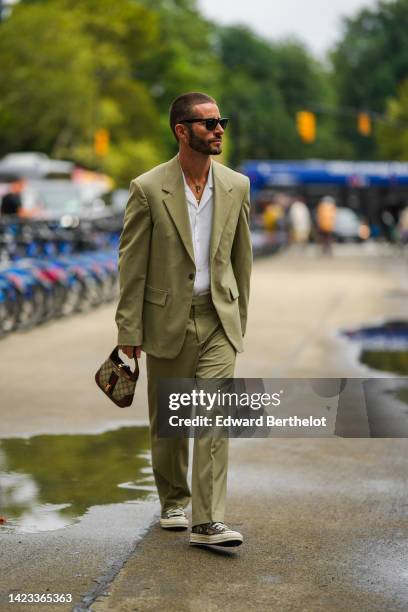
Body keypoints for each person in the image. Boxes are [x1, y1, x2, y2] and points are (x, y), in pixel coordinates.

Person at [115, 92, 252, 547]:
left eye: (222, 122)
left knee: (213, 416)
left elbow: (242, 260)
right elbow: (132, 265)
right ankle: (173, 501)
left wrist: (238, 320)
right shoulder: (148, 188)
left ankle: (208, 520)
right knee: (171, 421)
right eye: (209, 123)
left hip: (218, 317)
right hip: (167, 318)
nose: (219, 130)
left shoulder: (237, 185)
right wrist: (128, 330)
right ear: (182, 130)